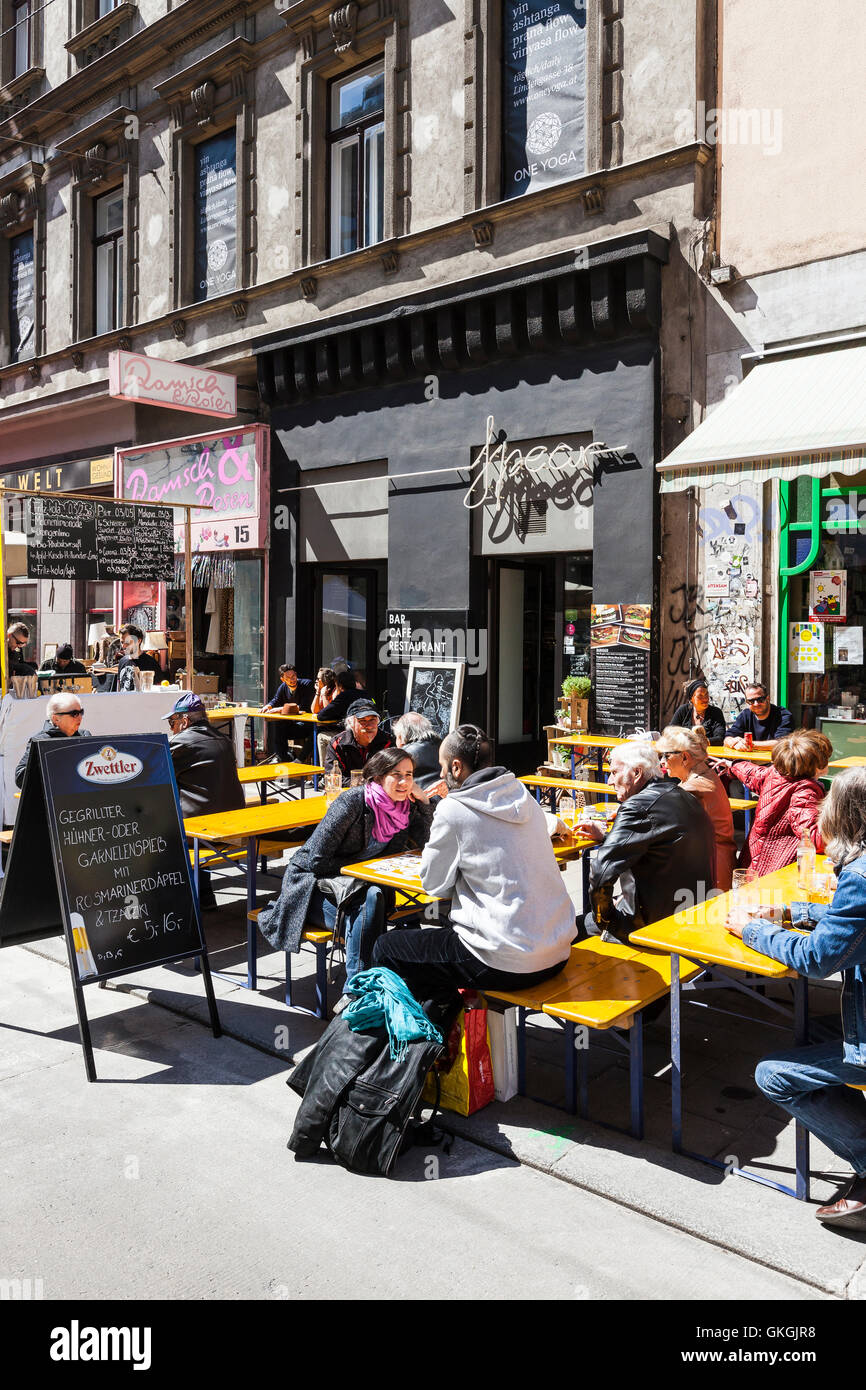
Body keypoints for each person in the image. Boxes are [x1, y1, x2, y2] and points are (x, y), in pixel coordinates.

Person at [726, 767, 866, 1229]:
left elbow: (815, 959)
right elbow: (848, 921)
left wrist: (754, 928)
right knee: (816, 1029)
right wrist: (792, 910)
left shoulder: (861, 874)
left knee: (773, 1074)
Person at [370, 724, 574, 1004]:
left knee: (386, 947)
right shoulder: (523, 795)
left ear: (455, 767)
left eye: (442, 766)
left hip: (502, 961)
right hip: (558, 950)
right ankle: (454, 1017)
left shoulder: (453, 809)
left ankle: (427, 1035)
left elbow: (434, 884)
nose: (440, 773)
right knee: (436, 939)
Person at [257, 746, 435, 989]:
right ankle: (360, 990)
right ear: (379, 776)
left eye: (410, 775)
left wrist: (425, 803)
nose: (404, 782)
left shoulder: (404, 808)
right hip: (311, 886)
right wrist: (365, 870)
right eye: (397, 774)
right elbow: (316, 861)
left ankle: (360, 989)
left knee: (371, 900)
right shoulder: (352, 802)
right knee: (369, 905)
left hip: (360, 888)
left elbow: (427, 843)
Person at [577, 741, 715, 942]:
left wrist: (607, 921)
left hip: (655, 926)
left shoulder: (637, 806)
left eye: (614, 772)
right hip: (693, 914)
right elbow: (661, 844)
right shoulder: (682, 795)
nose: (608, 781)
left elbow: (600, 874)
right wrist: (606, 838)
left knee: (567, 931)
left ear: (637, 773)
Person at [163, 692, 245, 910]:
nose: (171, 728)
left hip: (203, 832)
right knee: (202, 813)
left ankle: (174, 904)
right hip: (233, 824)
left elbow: (157, 774)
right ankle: (206, 895)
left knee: (162, 827)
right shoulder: (224, 740)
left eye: (172, 722)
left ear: (185, 721)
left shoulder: (181, 743)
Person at [729, 729, 830, 878]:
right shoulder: (805, 792)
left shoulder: (772, 774)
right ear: (817, 764)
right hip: (775, 871)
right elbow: (813, 838)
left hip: (751, 864)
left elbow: (750, 772)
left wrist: (732, 765)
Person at [657, 726, 736, 890]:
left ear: (685, 757)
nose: (662, 762)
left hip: (709, 872)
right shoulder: (703, 775)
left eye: (666, 755)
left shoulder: (694, 788)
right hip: (716, 864)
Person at [14, 692, 92, 787]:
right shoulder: (40, 741)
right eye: (74, 714)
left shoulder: (84, 736)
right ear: (56, 719)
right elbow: (20, 778)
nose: (80, 717)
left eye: (81, 712)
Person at [324, 700, 391, 783]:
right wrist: (364, 784)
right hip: (348, 793)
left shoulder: (389, 741)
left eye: (373, 720)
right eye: (363, 721)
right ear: (350, 723)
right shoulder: (337, 744)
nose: (369, 726)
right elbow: (333, 779)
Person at [262, 664, 316, 762]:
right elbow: (275, 700)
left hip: (307, 725)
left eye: (293, 676)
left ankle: (296, 759)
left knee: (313, 733)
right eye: (288, 677)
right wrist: (268, 706)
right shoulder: (283, 687)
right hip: (295, 725)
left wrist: (279, 709)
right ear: (282, 679)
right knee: (279, 724)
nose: (292, 679)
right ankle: (283, 757)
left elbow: (303, 708)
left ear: (296, 674)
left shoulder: (307, 684)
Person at [724, 682, 794, 750]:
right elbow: (727, 738)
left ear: (768, 698)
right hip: (749, 760)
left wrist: (748, 744)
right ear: (747, 702)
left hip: (774, 760)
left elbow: (782, 743)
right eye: (751, 701)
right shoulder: (745, 715)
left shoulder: (783, 715)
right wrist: (733, 742)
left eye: (760, 700)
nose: (756, 704)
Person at [669, 678, 726, 746]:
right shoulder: (683, 710)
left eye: (706, 694)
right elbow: (671, 732)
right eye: (700, 696)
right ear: (691, 698)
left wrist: (699, 743)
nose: (705, 699)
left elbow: (720, 738)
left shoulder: (716, 712)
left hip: (708, 754)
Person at [392, 711, 441, 789]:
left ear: (401, 737)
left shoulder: (404, 755)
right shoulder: (443, 747)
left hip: (420, 799)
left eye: (397, 736)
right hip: (446, 797)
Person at [116, 623, 161, 692]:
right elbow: (119, 686)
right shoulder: (122, 661)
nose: (123, 646)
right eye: (122, 642)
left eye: (127, 643)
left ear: (139, 641)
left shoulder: (151, 663)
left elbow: (157, 690)